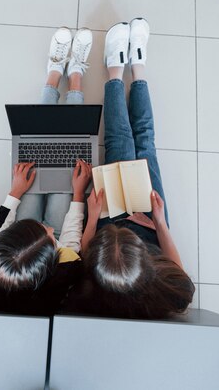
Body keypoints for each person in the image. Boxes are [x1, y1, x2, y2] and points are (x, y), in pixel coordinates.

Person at [64, 18, 196, 319]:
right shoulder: (173, 295)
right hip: (152, 229)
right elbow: (176, 270)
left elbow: (84, 254)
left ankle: (115, 70)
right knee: (146, 144)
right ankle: (137, 69)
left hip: (109, 221)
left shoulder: (91, 288)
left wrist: (94, 216)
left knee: (121, 143)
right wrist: (159, 224)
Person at [0, 27, 93, 315]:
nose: (47, 227)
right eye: (47, 233)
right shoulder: (64, 271)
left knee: (34, 153)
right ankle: (77, 78)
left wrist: (14, 192)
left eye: (39, 229)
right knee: (68, 173)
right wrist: (79, 194)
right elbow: (68, 242)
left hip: (26, 247)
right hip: (44, 256)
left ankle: (54, 73)